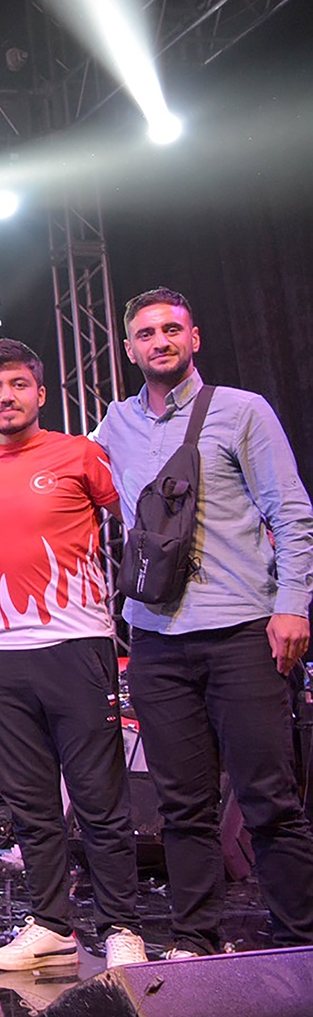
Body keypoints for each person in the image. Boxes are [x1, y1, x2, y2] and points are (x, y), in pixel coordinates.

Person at [92, 287, 313, 958]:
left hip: (242, 631)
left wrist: (292, 604)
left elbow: (290, 512)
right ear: (128, 349)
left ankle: (298, 945)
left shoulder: (242, 411)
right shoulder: (114, 425)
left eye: (171, 329)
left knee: (268, 799)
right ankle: (195, 941)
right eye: (145, 333)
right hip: (156, 641)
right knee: (181, 806)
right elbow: (53, 469)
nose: (159, 341)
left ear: (194, 338)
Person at [0, 340, 146, 970]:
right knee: (30, 803)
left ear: (41, 393)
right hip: (0, 651)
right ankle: (51, 926)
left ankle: (121, 927)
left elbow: (139, 517)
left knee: (99, 798)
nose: (7, 397)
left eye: (19, 384)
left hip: (77, 645)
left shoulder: (80, 454)